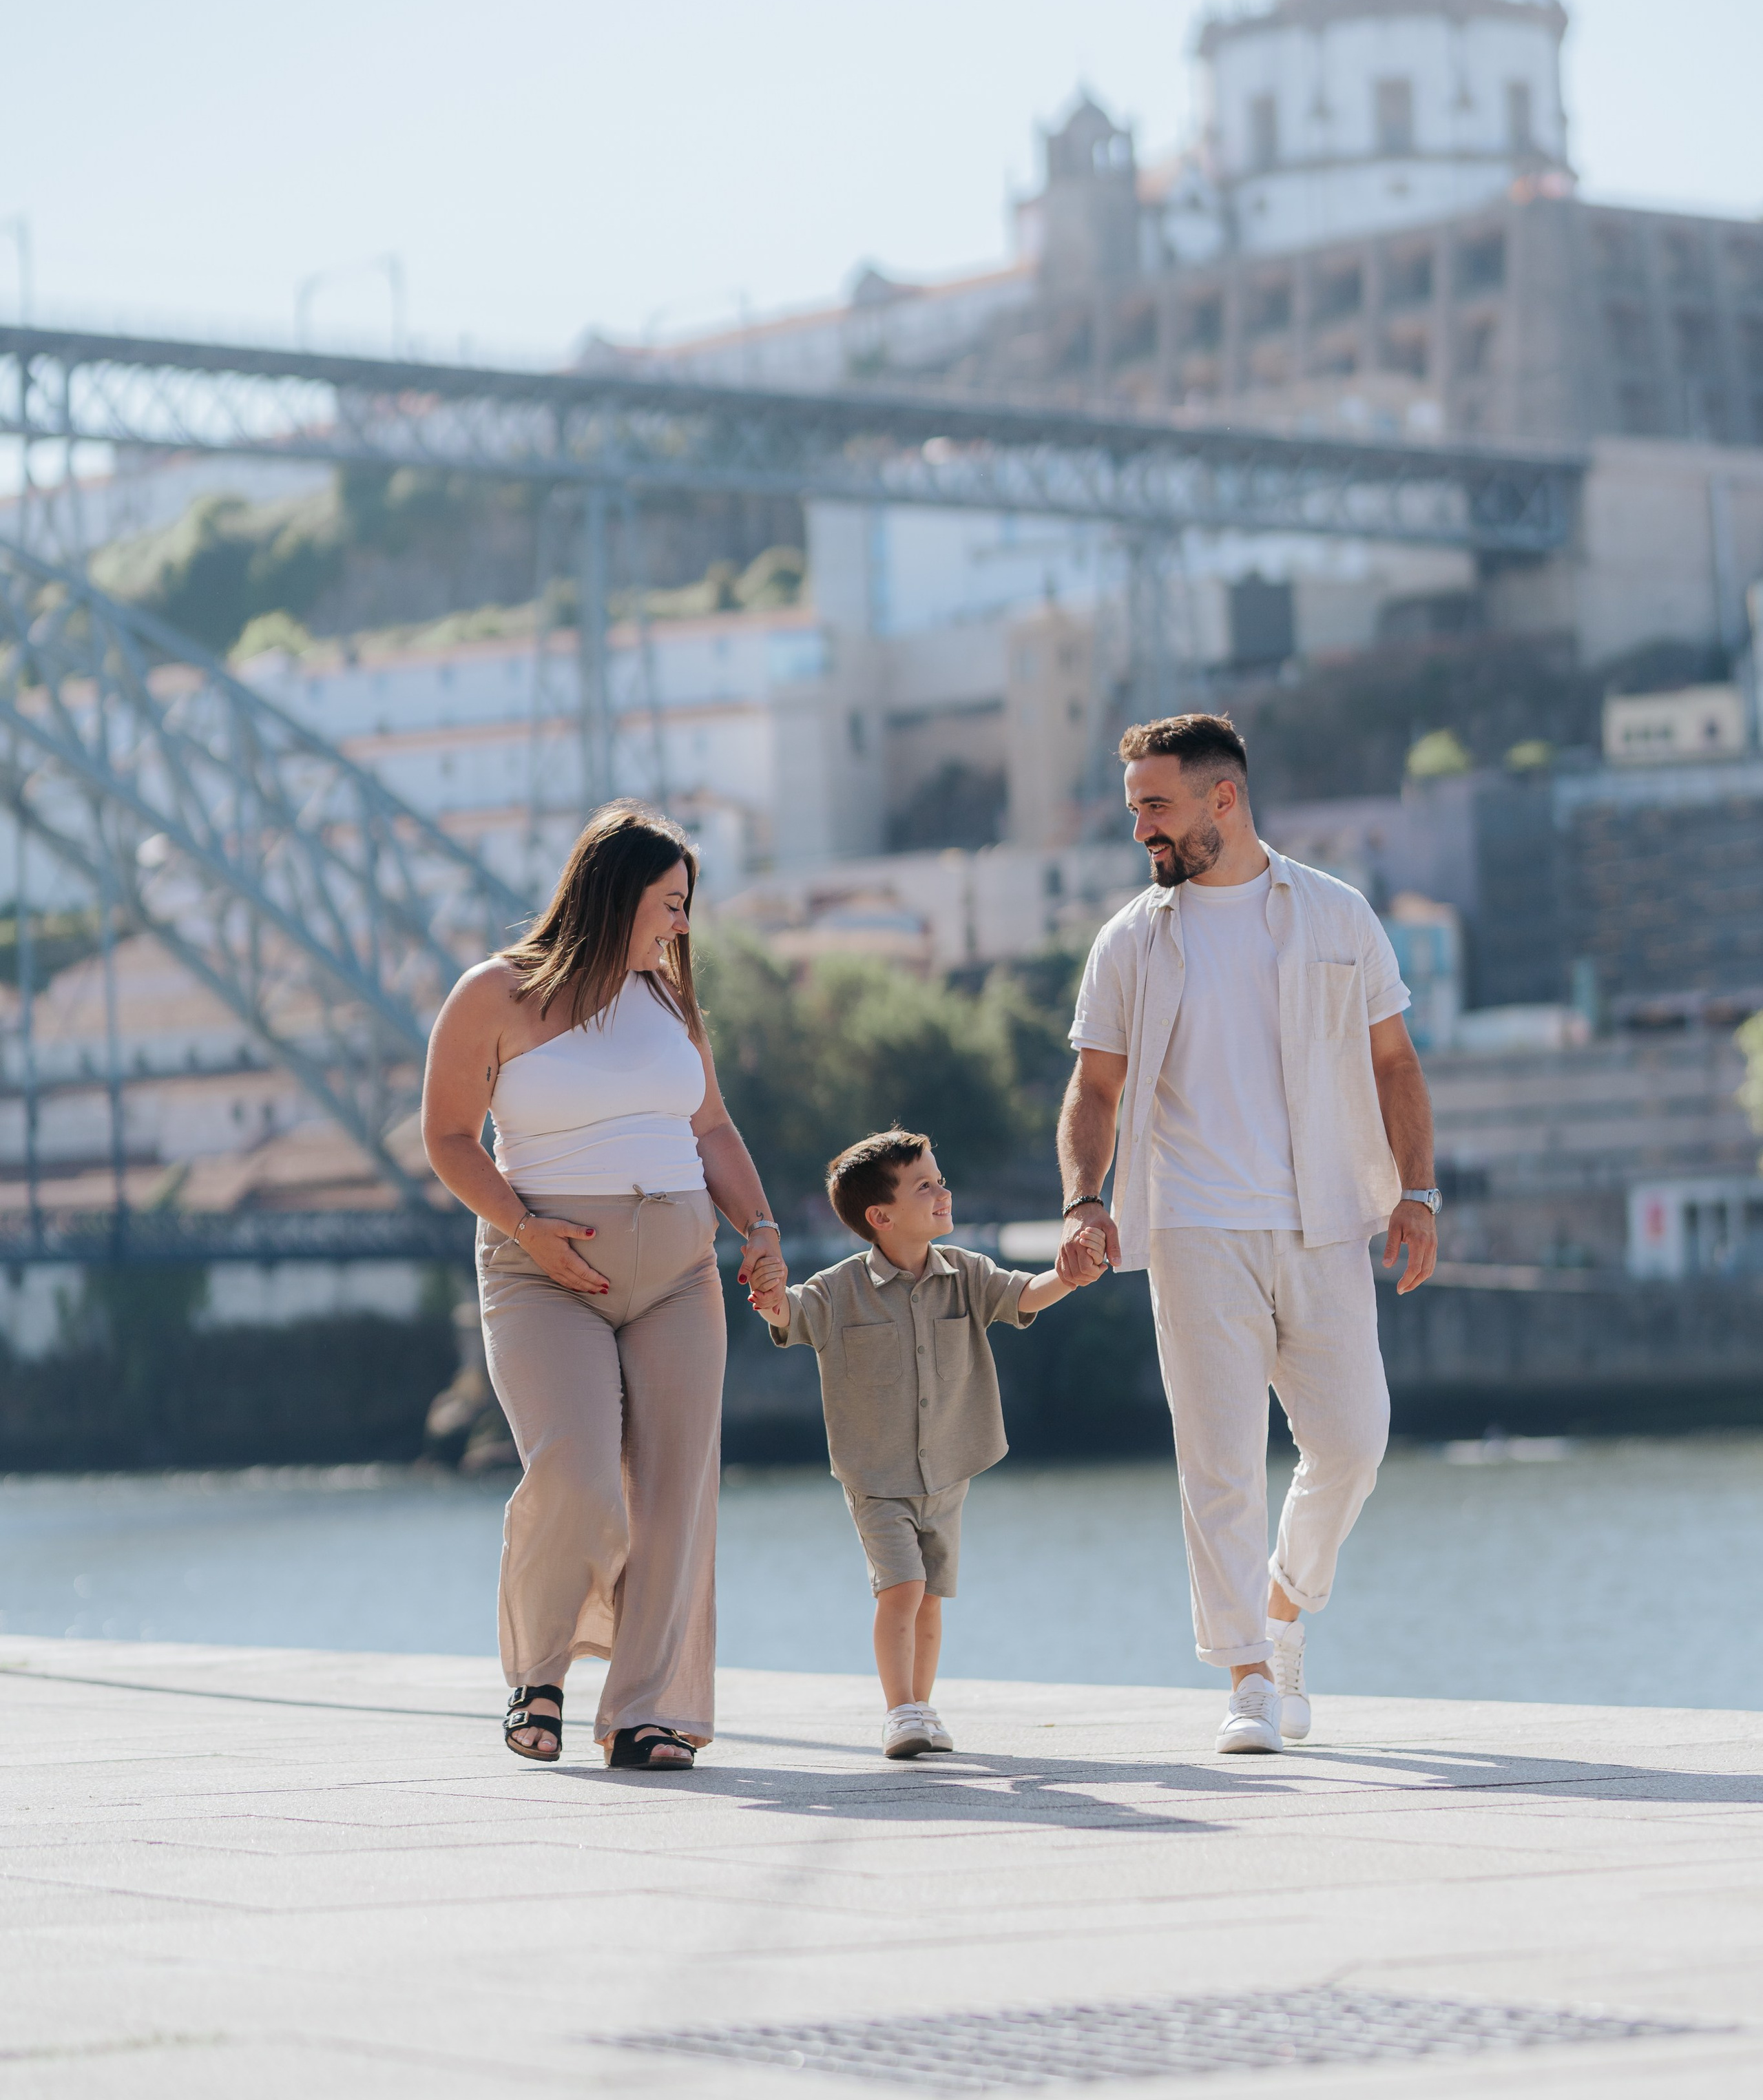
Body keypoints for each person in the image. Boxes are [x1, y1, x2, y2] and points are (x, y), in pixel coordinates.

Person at [1055, 713, 1439, 1758]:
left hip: (1323, 1217)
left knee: (1354, 1441)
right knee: (1218, 1461)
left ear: (1224, 798)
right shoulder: (1133, 938)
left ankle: (1282, 1600)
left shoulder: (1336, 915)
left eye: (1157, 804)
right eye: (1136, 806)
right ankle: (1248, 1679)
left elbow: (1395, 1064)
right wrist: (1086, 1201)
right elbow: (1095, 1086)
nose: (1141, 827)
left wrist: (1420, 1191)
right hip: (1190, 1225)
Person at [421, 800, 784, 1769]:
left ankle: (645, 1711)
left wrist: (762, 1231)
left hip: (678, 1279)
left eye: (687, 905)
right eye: (671, 902)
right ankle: (538, 1674)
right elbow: (450, 1140)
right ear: (617, 893)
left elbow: (711, 1130)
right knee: (577, 1477)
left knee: (675, 1495)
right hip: (544, 1279)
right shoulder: (491, 995)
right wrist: (524, 1229)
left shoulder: (667, 1000)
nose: (682, 924)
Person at [747, 1127, 1105, 1759]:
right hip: (876, 1478)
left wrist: (1070, 1278)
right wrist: (772, 1300)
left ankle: (921, 1707)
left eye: (940, 1180)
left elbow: (1025, 1295)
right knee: (902, 1589)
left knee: (933, 1600)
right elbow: (791, 1316)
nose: (943, 1192)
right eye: (925, 1186)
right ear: (881, 1217)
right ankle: (899, 1711)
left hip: (948, 1472)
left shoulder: (966, 1272)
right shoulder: (837, 1289)